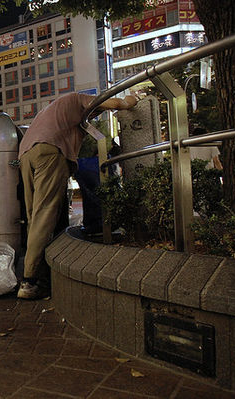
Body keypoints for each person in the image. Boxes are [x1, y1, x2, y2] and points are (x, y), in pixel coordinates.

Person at [17, 92, 139, 300]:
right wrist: (131, 100)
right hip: (50, 151)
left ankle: (41, 276)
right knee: (44, 215)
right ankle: (29, 281)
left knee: (34, 216)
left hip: (26, 153)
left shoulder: (53, 109)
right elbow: (114, 103)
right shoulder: (78, 99)